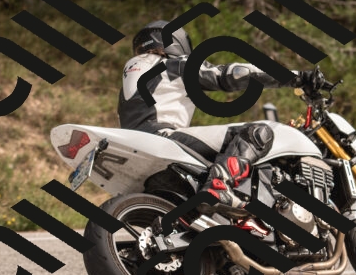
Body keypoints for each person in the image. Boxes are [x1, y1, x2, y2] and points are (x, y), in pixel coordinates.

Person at [117, 20, 322, 212]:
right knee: (258, 132)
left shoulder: (133, 74)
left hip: (136, 145)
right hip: (163, 137)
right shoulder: (174, 65)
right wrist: (297, 77)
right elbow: (229, 74)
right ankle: (219, 186)